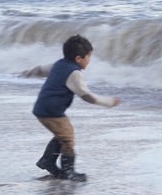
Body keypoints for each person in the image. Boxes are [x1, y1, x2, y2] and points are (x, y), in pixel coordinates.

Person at [31, 35, 119, 182]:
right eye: (89, 57)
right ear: (79, 58)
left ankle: (47, 161)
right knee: (68, 139)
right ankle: (68, 172)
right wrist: (107, 102)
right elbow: (86, 96)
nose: (89, 60)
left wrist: (27, 72)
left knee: (64, 134)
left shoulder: (59, 64)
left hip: (44, 108)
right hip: (51, 112)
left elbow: (41, 69)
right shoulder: (75, 73)